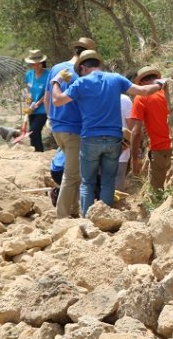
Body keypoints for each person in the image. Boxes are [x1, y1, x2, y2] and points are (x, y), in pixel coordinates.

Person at [52, 49, 165, 215]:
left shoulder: (81, 83)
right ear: (99, 64)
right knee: (108, 181)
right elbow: (145, 91)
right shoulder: (116, 78)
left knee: (87, 182)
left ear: (83, 68)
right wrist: (161, 83)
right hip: (113, 139)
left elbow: (57, 100)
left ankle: (86, 219)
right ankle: (104, 217)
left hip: (90, 139)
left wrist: (56, 80)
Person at [46, 37, 96, 218]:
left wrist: (51, 120)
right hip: (74, 130)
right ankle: (62, 215)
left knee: (75, 171)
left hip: (57, 128)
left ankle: (73, 209)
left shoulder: (56, 68)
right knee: (72, 175)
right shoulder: (82, 74)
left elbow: (47, 97)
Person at [129, 65, 173, 192]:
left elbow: (136, 132)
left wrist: (134, 159)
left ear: (141, 82)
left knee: (156, 192)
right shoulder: (167, 91)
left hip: (160, 150)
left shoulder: (141, 97)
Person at [23, 50, 51, 152]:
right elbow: (28, 89)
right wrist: (28, 98)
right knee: (33, 134)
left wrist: (38, 103)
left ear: (42, 63)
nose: (36, 66)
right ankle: (35, 153)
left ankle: (39, 152)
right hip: (32, 109)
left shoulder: (48, 75)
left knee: (34, 131)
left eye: (38, 63)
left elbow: (48, 93)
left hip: (43, 108)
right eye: (33, 64)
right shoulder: (29, 74)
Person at [117, 93, 133, 190]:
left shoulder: (96, 97)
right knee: (118, 180)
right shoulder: (124, 100)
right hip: (121, 147)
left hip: (98, 147)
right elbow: (132, 126)